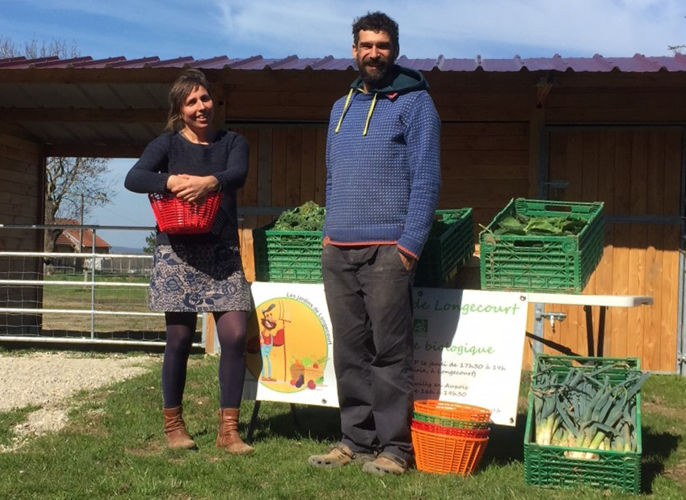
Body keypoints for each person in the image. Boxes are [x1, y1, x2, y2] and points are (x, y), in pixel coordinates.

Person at [308, 12, 441, 475]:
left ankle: (395, 449)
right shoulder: (338, 107)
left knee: (390, 353)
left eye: (382, 45)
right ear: (354, 50)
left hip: (389, 250)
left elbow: (426, 179)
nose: (373, 53)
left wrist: (409, 246)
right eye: (365, 45)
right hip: (338, 249)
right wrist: (329, 232)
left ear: (395, 49)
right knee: (349, 353)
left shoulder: (416, 103)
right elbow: (332, 175)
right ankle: (354, 440)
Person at [125, 69, 254, 455]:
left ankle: (228, 430)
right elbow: (135, 177)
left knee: (233, 334)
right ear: (180, 110)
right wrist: (168, 182)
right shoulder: (166, 144)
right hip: (177, 250)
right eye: (192, 101)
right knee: (179, 338)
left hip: (221, 250)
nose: (202, 107)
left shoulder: (233, 141)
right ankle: (174, 425)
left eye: (205, 99)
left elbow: (238, 173)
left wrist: (208, 182)